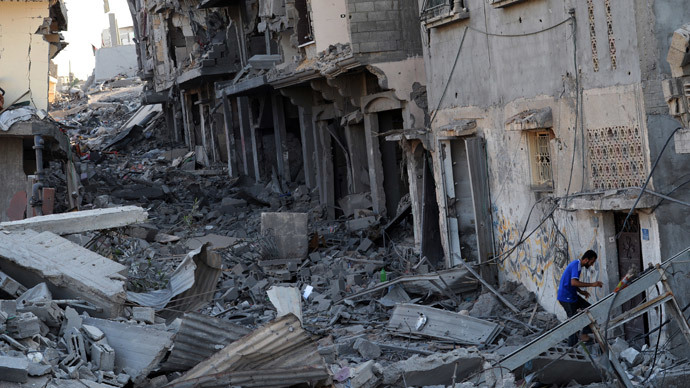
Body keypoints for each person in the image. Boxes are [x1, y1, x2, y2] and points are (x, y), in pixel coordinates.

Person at [557, 250, 603, 346]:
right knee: (575, 324)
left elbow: (572, 283)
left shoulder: (577, 265)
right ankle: (571, 347)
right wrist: (593, 284)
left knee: (591, 309)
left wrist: (581, 292)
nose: (592, 264)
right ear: (586, 260)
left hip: (572, 296)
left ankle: (584, 334)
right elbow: (573, 282)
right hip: (567, 298)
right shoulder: (576, 265)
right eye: (592, 262)